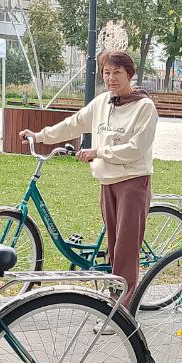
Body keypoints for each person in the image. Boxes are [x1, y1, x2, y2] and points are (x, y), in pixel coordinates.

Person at [20, 50, 158, 308]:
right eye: (107, 73)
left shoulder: (144, 107)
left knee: (125, 251)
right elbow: (74, 124)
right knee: (113, 245)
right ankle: (114, 296)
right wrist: (39, 136)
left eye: (117, 72)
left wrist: (98, 152)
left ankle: (120, 310)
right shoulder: (103, 101)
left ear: (130, 74)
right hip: (107, 181)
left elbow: (136, 149)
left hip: (132, 181)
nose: (111, 78)